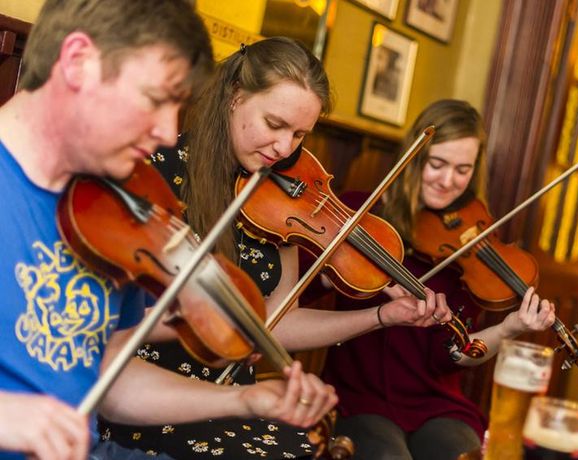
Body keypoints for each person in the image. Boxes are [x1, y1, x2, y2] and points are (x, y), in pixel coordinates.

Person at [0, 2, 338, 459]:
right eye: (156, 100)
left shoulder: (113, 213)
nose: (166, 132)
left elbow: (109, 374)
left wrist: (240, 399)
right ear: (78, 63)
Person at [100, 37, 453, 459]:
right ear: (234, 97)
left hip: (234, 397)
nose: (285, 149)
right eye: (274, 124)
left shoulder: (279, 195)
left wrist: (380, 315)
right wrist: (215, 321)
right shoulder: (154, 174)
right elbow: (108, 324)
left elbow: (279, 319)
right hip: (148, 396)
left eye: (300, 133)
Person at [319, 99, 557, 460]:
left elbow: (452, 355)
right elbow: (295, 297)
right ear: (415, 156)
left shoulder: (469, 242)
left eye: (462, 170)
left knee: (461, 454)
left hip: (435, 403)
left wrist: (509, 327)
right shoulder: (361, 216)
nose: (448, 181)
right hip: (359, 398)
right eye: (437, 164)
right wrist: (342, 274)